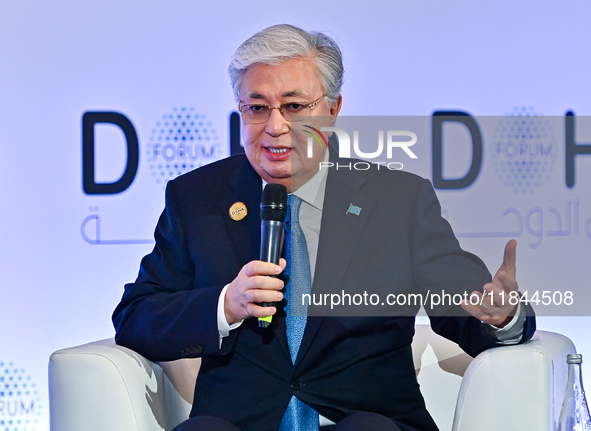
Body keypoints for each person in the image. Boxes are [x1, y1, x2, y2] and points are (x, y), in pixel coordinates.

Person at [112, 24, 535, 431]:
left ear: (332, 110)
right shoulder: (196, 199)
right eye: (257, 108)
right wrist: (225, 305)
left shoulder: (397, 200)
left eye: (295, 107)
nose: (275, 126)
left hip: (363, 422)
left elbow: (464, 305)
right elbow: (136, 316)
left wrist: (501, 316)